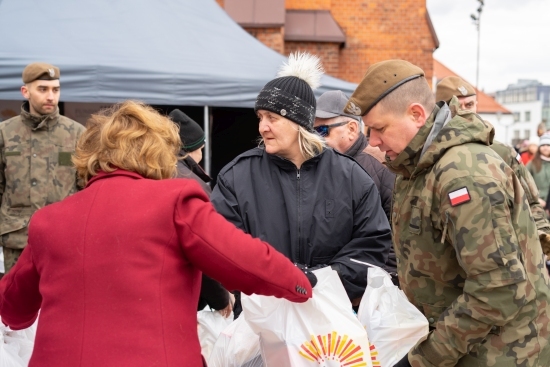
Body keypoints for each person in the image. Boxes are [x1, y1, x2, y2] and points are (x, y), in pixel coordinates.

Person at [0, 101, 314, 367]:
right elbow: (246, 261)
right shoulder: (175, 201)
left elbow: (13, 307)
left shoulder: (49, 221)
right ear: (158, 150)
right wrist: (301, 284)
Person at [345, 59, 550, 367]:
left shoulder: (464, 174)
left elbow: (498, 287)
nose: (372, 141)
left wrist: (424, 358)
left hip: (499, 353)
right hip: (459, 346)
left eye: (379, 128)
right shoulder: (416, 166)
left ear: (416, 114)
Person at [211, 53, 392, 307]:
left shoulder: (351, 177)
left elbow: (372, 246)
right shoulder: (237, 177)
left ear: (299, 122)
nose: (263, 127)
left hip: (330, 329)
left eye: (272, 118)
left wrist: (318, 281)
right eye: (260, 117)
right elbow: (221, 247)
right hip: (261, 326)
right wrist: (280, 278)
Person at [436, 76, 550, 258]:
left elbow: (531, 202)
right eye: (459, 106)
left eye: (470, 104)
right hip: (449, 262)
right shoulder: (433, 155)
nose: (467, 112)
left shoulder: (502, 152)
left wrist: (541, 238)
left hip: (503, 259)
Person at [0, 62, 85, 274]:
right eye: (43, 89)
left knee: (59, 302)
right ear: (25, 91)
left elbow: (87, 188)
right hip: (17, 238)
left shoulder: (76, 134)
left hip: (63, 237)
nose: (50, 96)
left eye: (55, 90)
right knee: (15, 302)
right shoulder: (5, 133)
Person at [313, 90, 397, 280]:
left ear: (352, 129)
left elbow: (395, 237)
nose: (315, 138)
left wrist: (380, 284)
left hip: (369, 286)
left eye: (322, 131)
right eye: (312, 131)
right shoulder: (321, 163)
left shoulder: (381, 166)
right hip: (331, 281)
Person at [169, 108, 232, 318]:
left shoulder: (152, 172)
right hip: (186, 294)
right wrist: (221, 297)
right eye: (201, 148)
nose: (202, 155)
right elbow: (201, 246)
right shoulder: (189, 183)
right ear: (190, 150)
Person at [527, 133, 550, 206]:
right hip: (538, 203)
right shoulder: (532, 164)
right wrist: (535, 199)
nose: (545, 147)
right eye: (543, 145)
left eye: (548, 145)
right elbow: (523, 181)